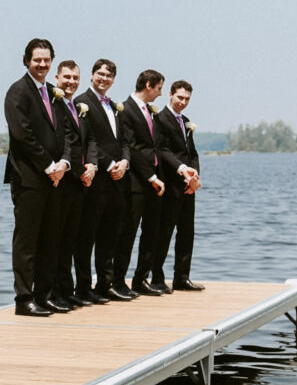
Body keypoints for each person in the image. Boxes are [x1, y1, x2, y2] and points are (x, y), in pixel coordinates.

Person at [3, 39, 74, 316]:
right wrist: (48, 165)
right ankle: (24, 299)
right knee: (27, 241)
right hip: (30, 179)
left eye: (46, 60)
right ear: (26, 61)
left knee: (50, 239)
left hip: (56, 179)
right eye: (37, 60)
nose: (42, 65)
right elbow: (23, 136)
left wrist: (65, 163)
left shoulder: (54, 94)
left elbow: (67, 133)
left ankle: (45, 295)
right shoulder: (17, 92)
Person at [74, 59, 132, 303]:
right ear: (91, 75)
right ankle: (84, 287)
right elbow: (89, 140)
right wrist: (109, 164)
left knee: (110, 234)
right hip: (96, 180)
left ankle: (105, 284)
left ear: (113, 80)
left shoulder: (116, 108)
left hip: (118, 180)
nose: (104, 79)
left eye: (108, 76)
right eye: (100, 74)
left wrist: (125, 162)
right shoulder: (81, 103)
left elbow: (126, 141)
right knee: (87, 236)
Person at [50, 61, 98, 308]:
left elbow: (88, 140)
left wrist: (92, 165)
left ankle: (68, 291)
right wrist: (79, 170)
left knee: (71, 239)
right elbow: (66, 142)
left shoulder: (80, 107)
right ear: (57, 77)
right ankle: (54, 293)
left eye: (75, 77)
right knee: (57, 240)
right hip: (64, 181)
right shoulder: (54, 104)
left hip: (81, 181)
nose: (71, 81)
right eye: (66, 77)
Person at [117, 69, 168, 295]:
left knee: (151, 232)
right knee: (128, 232)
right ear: (148, 85)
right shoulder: (126, 110)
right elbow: (133, 148)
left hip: (155, 181)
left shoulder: (149, 112)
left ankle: (141, 279)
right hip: (136, 182)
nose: (160, 94)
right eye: (159, 88)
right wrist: (150, 176)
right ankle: (118, 280)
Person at [155, 79, 204, 291]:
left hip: (188, 187)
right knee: (164, 233)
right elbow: (163, 150)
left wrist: (195, 177)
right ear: (170, 95)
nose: (182, 102)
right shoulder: (160, 120)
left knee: (187, 233)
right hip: (170, 185)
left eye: (187, 99)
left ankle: (182, 277)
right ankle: (157, 277)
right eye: (179, 98)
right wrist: (183, 171)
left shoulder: (186, 121)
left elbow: (192, 153)